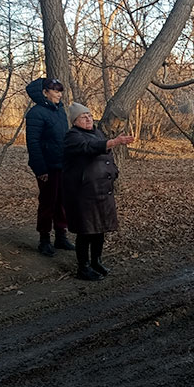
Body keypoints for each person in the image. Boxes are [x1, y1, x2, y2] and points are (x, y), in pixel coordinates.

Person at [62, 103, 135, 280]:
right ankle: (83, 267)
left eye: (89, 115)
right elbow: (90, 148)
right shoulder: (72, 136)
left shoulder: (97, 132)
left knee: (99, 229)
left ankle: (96, 261)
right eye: (83, 117)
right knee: (86, 230)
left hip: (102, 190)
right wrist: (115, 142)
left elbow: (106, 155)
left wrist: (114, 172)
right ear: (74, 121)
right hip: (84, 192)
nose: (88, 119)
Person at [25, 77, 75, 256]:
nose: (59, 94)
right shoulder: (36, 113)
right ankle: (44, 239)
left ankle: (61, 236)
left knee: (63, 202)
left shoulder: (60, 111)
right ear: (45, 93)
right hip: (47, 166)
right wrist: (41, 170)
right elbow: (33, 143)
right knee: (48, 202)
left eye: (60, 90)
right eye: (55, 90)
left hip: (63, 164)